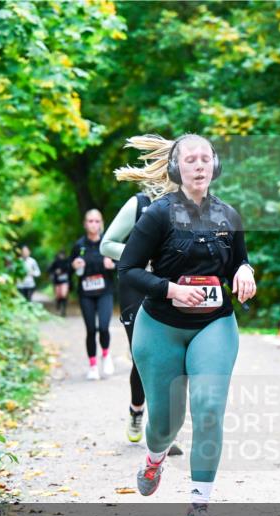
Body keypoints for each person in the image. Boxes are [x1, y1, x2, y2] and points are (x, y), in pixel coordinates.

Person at [118, 134, 256, 516]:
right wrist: (172, 289)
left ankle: (199, 505)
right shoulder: (158, 215)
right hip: (160, 326)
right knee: (165, 422)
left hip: (214, 323)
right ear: (177, 169)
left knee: (209, 407)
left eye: (205, 159)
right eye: (190, 159)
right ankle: (155, 456)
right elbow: (128, 270)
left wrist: (244, 271)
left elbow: (239, 262)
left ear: (215, 166)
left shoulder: (229, 216)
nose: (199, 165)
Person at [102, 135, 182, 455]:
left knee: (172, 358)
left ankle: (163, 431)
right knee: (144, 357)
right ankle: (138, 409)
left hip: (172, 288)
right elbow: (106, 244)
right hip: (137, 286)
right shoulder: (140, 204)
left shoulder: (192, 206)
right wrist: (140, 256)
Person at [71, 210, 117, 380]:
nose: (93, 224)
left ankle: (105, 355)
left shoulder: (108, 243)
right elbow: (69, 268)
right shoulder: (79, 245)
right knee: (91, 330)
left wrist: (112, 265)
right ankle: (92, 366)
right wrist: (74, 265)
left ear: (101, 223)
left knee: (104, 327)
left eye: (97, 221)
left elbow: (124, 263)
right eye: (90, 221)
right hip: (86, 293)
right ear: (85, 224)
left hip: (105, 291)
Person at [48, 250, 72, 316]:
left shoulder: (67, 262)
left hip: (65, 281)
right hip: (57, 282)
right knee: (58, 295)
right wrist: (55, 272)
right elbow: (49, 269)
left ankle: (63, 310)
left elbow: (70, 270)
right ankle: (58, 303)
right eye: (60, 255)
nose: (61, 256)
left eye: (63, 255)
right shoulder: (55, 262)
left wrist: (64, 271)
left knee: (64, 294)